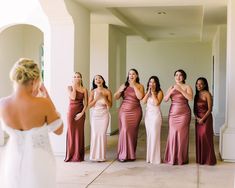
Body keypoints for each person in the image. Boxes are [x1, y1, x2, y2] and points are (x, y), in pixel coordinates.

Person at [0, 58, 63, 188]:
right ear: (35, 81)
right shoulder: (43, 104)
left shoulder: (3, 104)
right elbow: (59, 130)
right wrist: (47, 97)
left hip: (13, 160)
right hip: (39, 162)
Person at [114, 68, 144, 162]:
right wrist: (120, 90)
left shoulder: (140, 86)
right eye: (130, 74)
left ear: (137, 75)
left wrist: (134, 85)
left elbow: (140, 97)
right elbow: (116, 97)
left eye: (133, 74)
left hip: (136, 111)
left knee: (133, 133)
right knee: (125, 130)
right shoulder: (124, 85)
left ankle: (131, 155)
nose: (131, 75)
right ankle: (123, 154)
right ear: (128, 75)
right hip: (124, 111)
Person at [164, 69, 193, 165]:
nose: (178, 77)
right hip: (173, 114)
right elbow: (165, 99)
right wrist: (173, 89)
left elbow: (190, 98)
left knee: (182, 136)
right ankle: (172, 158)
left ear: (184, 77)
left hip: (184, 114)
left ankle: (181, 158)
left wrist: (180, 89)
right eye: (176, 75)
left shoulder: (187, 87)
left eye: (180, 75)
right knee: (172, 134)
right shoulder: (171, 87)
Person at [64, 72, 88, 162]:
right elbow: (73, 97)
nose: (76, 78)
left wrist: (82, 113)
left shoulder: (84, 89)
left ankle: (78, 156)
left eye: (78, 77)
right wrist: (74, 86)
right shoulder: (69, 87)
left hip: (80, 112)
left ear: (81, 78)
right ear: (72, 78)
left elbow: (86, 103)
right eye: (74, 77)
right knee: (71, 132)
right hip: (71, 112)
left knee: (79, 133)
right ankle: (70, 155)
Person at [89, 75, 112, 162]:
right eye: (96, 79)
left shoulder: (107, 91)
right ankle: (94, 156)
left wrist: (103, 97)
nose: (98, 80)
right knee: (95, 134)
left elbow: (110, 105)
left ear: (103, 80)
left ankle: (101, 156)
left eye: (99, 78)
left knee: (102, 135)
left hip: (104, 115)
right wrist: (96, 99)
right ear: (94, 82)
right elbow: (89, 105)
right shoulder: (92, 91)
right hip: (95, 116)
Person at [194, 77, 216, 165]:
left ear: (205, 85)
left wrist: (202, 119)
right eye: (197, 83)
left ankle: (209, 159)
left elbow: (210, 109)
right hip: (198, 120)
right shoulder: (197, 94)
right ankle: (201, 159)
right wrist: (196, 118)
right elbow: (195, 109)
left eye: (201, 84)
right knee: (199, 138)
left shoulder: (207, 94)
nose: (198, 85)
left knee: (206, 138)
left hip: (206, 119)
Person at [142, 76, 163, 164]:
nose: (152, 84)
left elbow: (156, 103)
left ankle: (155, 158)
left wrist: (153, 93)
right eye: (150, 82)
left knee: (155, 135)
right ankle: (150, 158)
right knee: (150, 136)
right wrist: (148, 93)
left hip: (156, 116)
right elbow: (143, 101)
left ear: (157, 83)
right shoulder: (148, 92)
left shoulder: (160, 92)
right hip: (148, 117)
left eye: (154, 82)